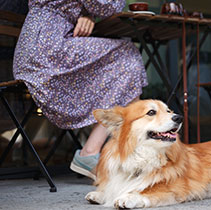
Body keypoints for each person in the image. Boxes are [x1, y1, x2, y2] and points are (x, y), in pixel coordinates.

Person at [13, 0, 148, 180]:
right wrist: (89, 12)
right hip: (46, 50)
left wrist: (86, 15)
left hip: (48, 45)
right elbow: (107, 6)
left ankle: (118, 154)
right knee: (127, 57)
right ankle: (110, 153)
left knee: (125, 68)